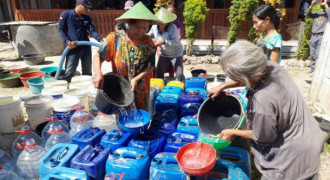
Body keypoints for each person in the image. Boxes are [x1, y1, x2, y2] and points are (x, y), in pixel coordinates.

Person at [208, 41, 325, 180]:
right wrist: (223, 86)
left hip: (291, 160)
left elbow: (263, 137)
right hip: (309, 139)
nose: (234, 80)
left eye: (235, 77)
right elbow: (250, 76)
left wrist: (233, 132)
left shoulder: (262, 101)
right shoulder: (273, 67)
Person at [93, 2, 160, 111]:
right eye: (138, 27)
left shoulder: (148, 42)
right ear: (129, 23)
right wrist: (98, 73)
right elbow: (98, 56)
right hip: (119, 92)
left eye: (145, 28)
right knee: (123, 120)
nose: (142, 32)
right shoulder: (114, 39)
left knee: (141, 119)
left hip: (141, 92)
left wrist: (136, 79)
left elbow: (151, 66)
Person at [58, 0, 104, 82]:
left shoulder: (87, 18)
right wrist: (67, 42)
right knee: (69, 71)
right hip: (73, 47)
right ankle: (66, 87)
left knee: (87, 71)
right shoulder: (66, 15)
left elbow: (92, 31)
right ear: (79, 5)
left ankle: (86, 90)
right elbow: (60, 30)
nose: (87, 10)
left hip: (86, 47)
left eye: (89, 8)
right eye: (86, 7)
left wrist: (100, 40)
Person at [147, 7, 185, 82]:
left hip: (176, 53)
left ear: (168, 21)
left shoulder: (172, 27)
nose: (162, 23)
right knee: (159, 72)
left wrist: (163, 41)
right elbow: (149, 35)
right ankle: (159, 88)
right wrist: (142, 35)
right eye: (160, 21)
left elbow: (176, 42)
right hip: (164, 53)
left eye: (164, 21)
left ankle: (182, 88)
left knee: (179, 74)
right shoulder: (154, 27)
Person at [306, 0, 330, 73]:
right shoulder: (317, 13)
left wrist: (326, 5)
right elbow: (307, 15)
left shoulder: (327, 14)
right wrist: (311, 5)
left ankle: (316, 70)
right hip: (314, 35)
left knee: (318, 54)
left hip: (321, 35)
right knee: (312, 53)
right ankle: (312, 68)